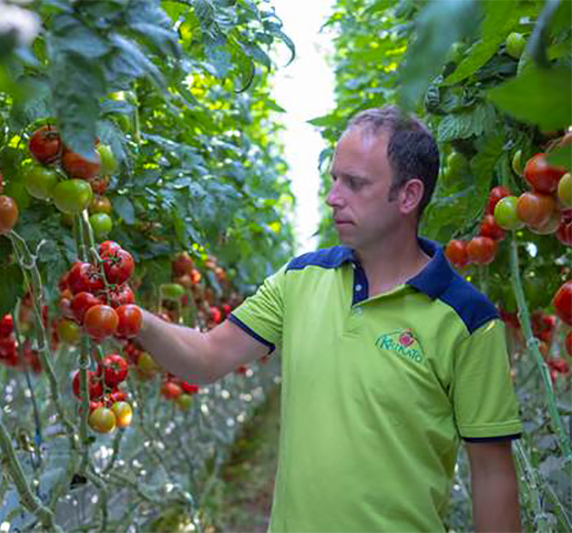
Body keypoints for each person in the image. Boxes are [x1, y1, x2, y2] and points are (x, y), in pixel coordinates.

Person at [136, 105, 523, 532]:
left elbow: (492, 473)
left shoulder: (468, 319)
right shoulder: (301, 279)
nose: (333, 197)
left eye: (355, 184)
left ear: (408, 195)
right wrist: (135, 320)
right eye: (334, 179)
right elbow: (207, 357)